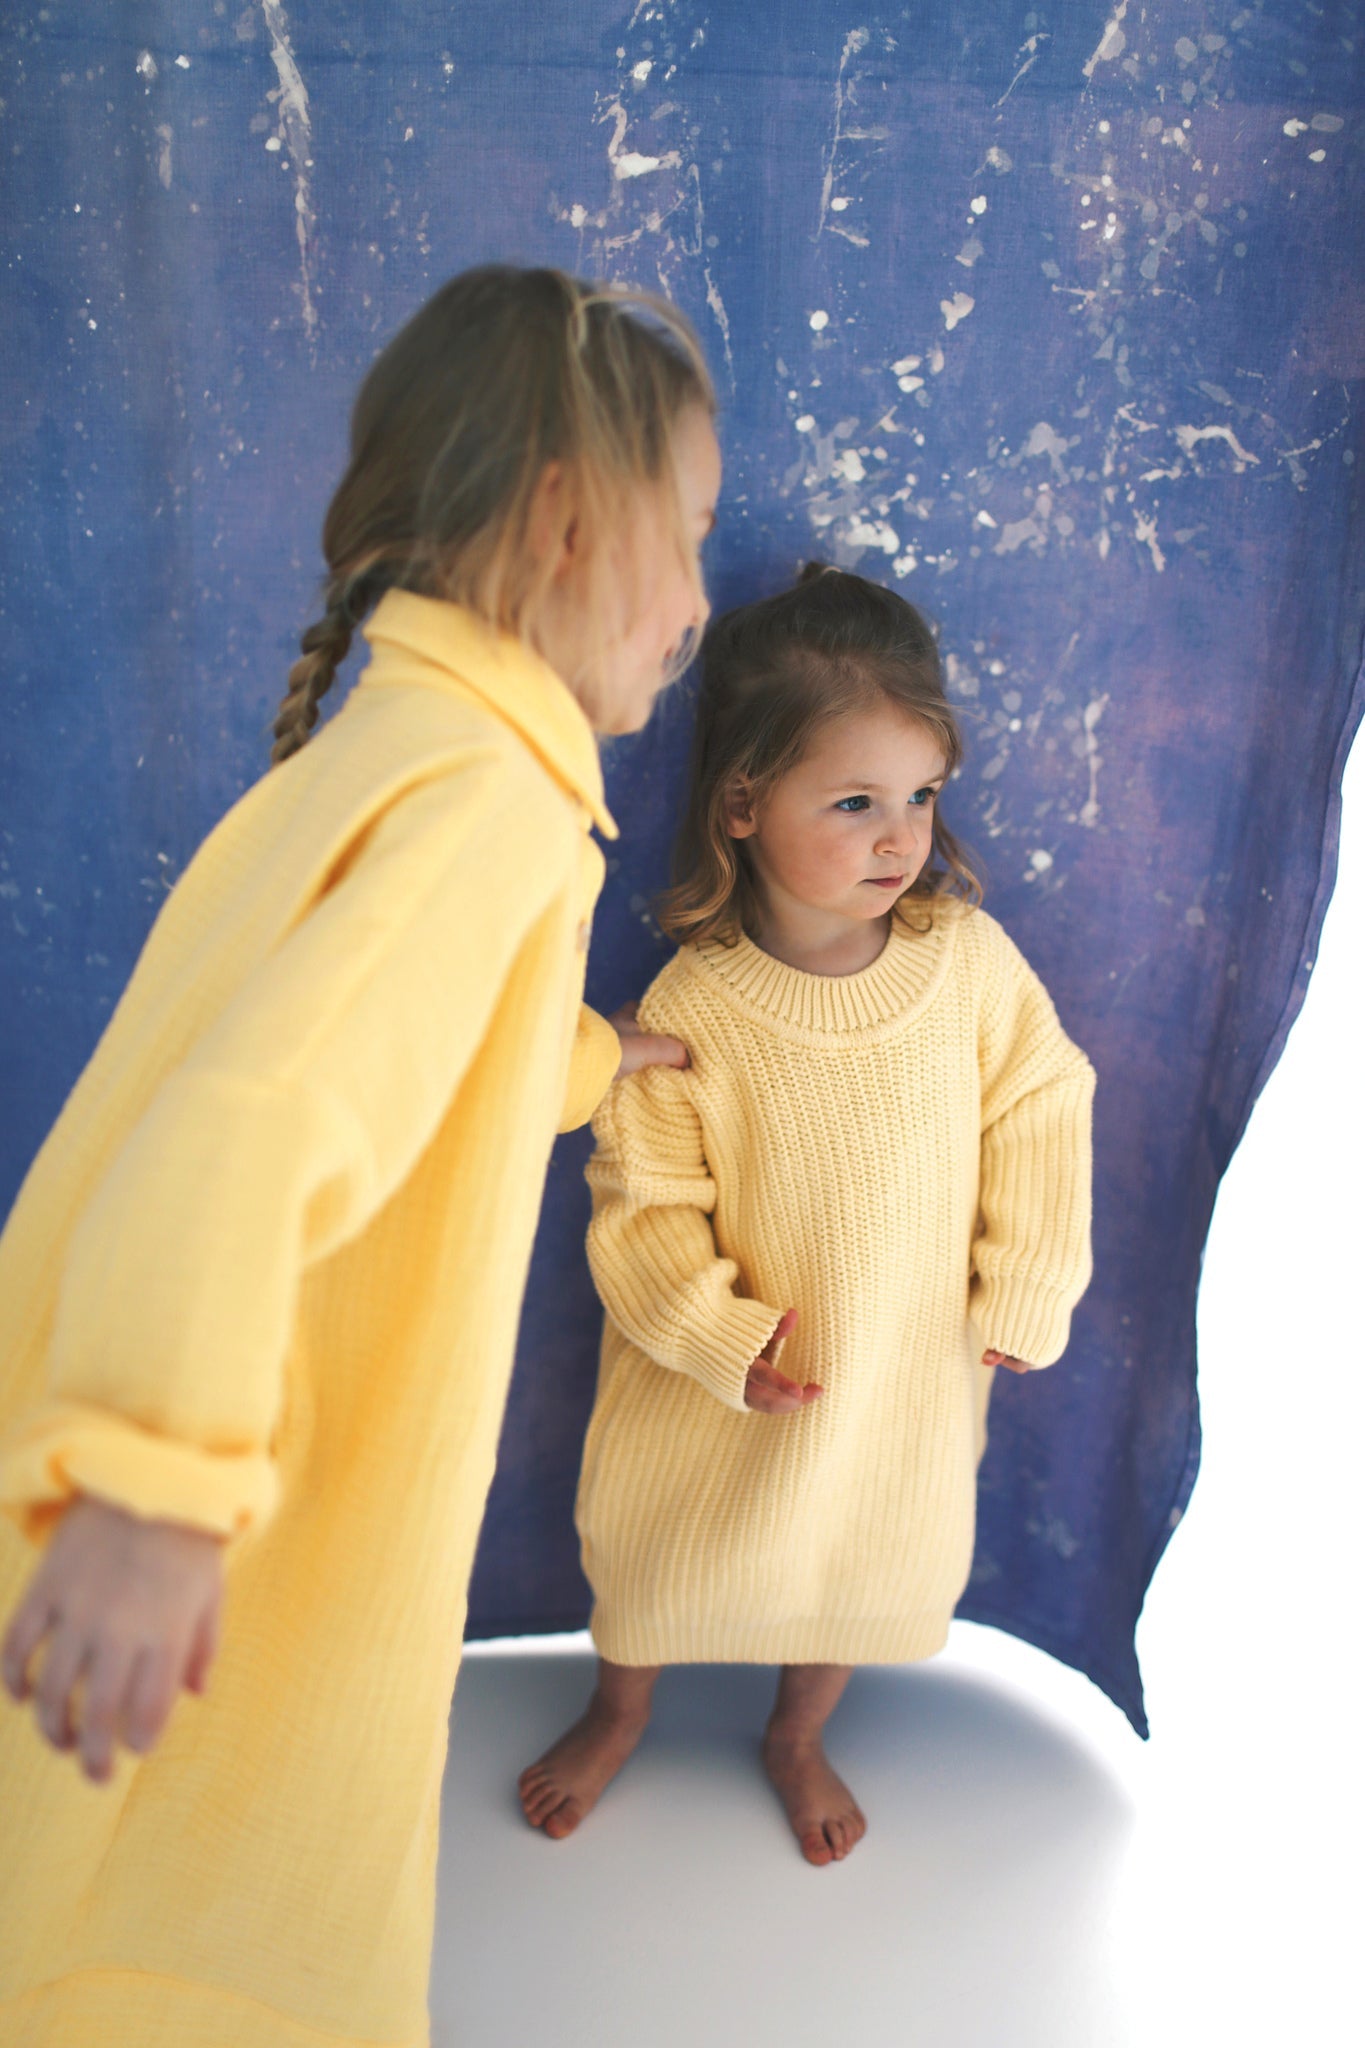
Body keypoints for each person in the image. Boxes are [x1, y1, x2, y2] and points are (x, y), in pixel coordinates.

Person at [0, 266, 719, 2045]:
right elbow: (248, 1129)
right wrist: (158, 1484)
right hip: (220, 1480)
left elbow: (386, 1055)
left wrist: (574, 1055)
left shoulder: (415, 741)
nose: (700, 602)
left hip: (149, 1422)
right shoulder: (485, 800)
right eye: (686, 537)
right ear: (560, 521)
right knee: (176, 1870)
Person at [519, 563, 1095, 1866]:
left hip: (897, 1371)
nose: (900, 838)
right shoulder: (688, 1012)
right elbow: (642, 1210)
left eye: (919, 797)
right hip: (726, 1377)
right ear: (742, 804)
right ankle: (618, 1712)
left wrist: (1025, 1285)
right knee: (656, 1563)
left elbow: (1044, 1108)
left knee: (864, 1555)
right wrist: (722, 1338)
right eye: (854, 803)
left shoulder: (964, 966)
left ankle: (796, 1730)